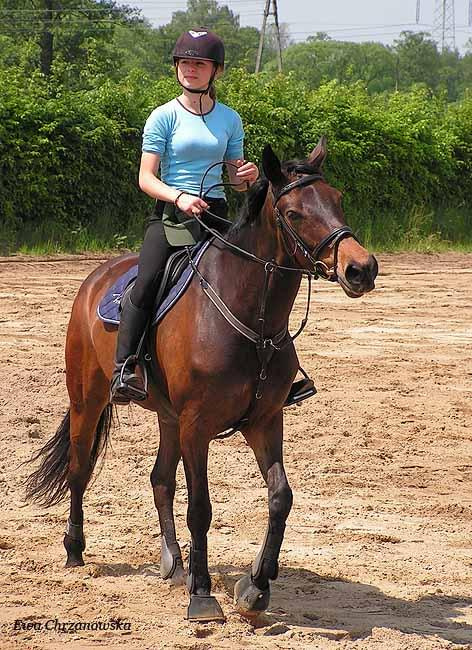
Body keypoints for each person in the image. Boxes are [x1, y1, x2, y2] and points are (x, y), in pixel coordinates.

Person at [110, 29, 259, 404]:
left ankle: (273, 370)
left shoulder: (230, 119)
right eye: (185, 62)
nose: (190, 69)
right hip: (171, 218)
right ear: (177, 67)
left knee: (258, 280)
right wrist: (179, 197)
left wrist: (246, 178)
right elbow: (146, 178)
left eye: (199, 63)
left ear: (216, 71)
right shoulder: (163, 116)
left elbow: (234, 178)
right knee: (146, 282)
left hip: (218, 216)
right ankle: (125, 368)